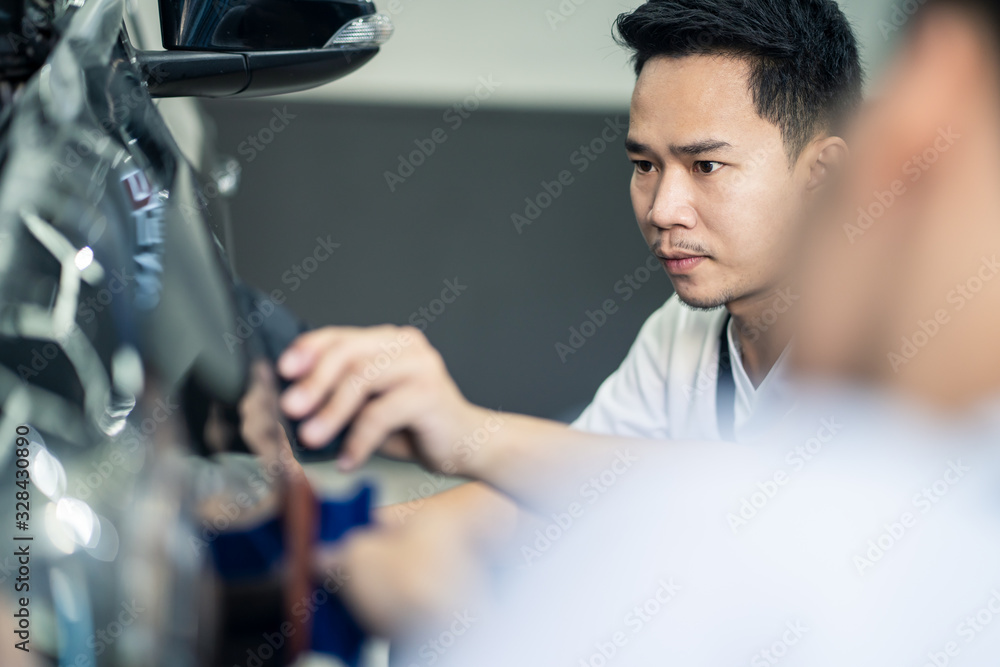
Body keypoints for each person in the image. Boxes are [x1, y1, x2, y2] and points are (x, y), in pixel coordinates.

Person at [311, 1, 1000, 662]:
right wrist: (310, 529)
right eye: (645, 166)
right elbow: (546, 494)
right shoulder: (680, 336)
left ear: (823, 174)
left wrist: (467, 432)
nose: (665, 208)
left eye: (706, 166)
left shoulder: (903, 364)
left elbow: (757, 502)